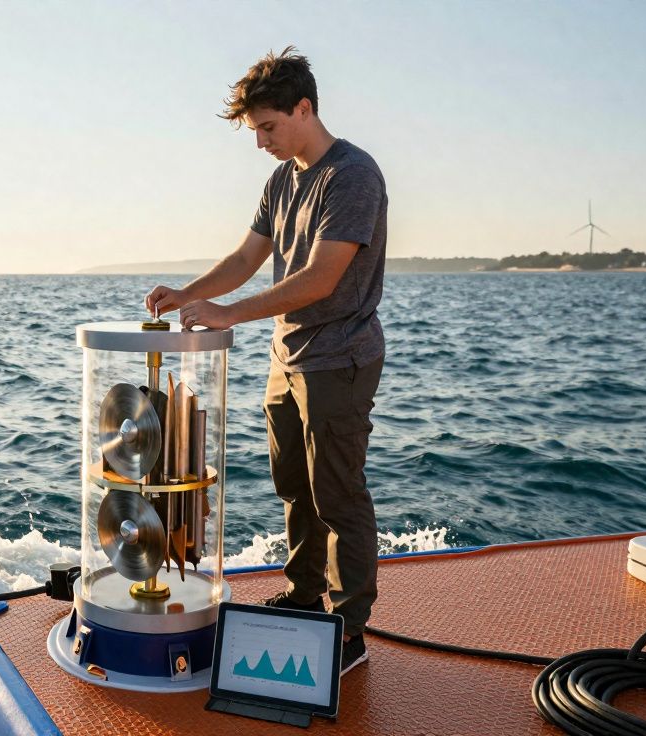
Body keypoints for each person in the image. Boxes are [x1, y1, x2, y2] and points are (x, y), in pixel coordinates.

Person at [144, 47, 387, 674]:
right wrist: (191, 294)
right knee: (294, 488)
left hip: (339, 360)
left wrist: (227, 315)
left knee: (338, 494)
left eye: (268, 127)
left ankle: (350, 626)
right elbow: (247, 257)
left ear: (304, 109)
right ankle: (306, 596)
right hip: (288, 358)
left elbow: (321, 278)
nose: (260, 143)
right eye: (254, 130)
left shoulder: (352, 175)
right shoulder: (281, 180)